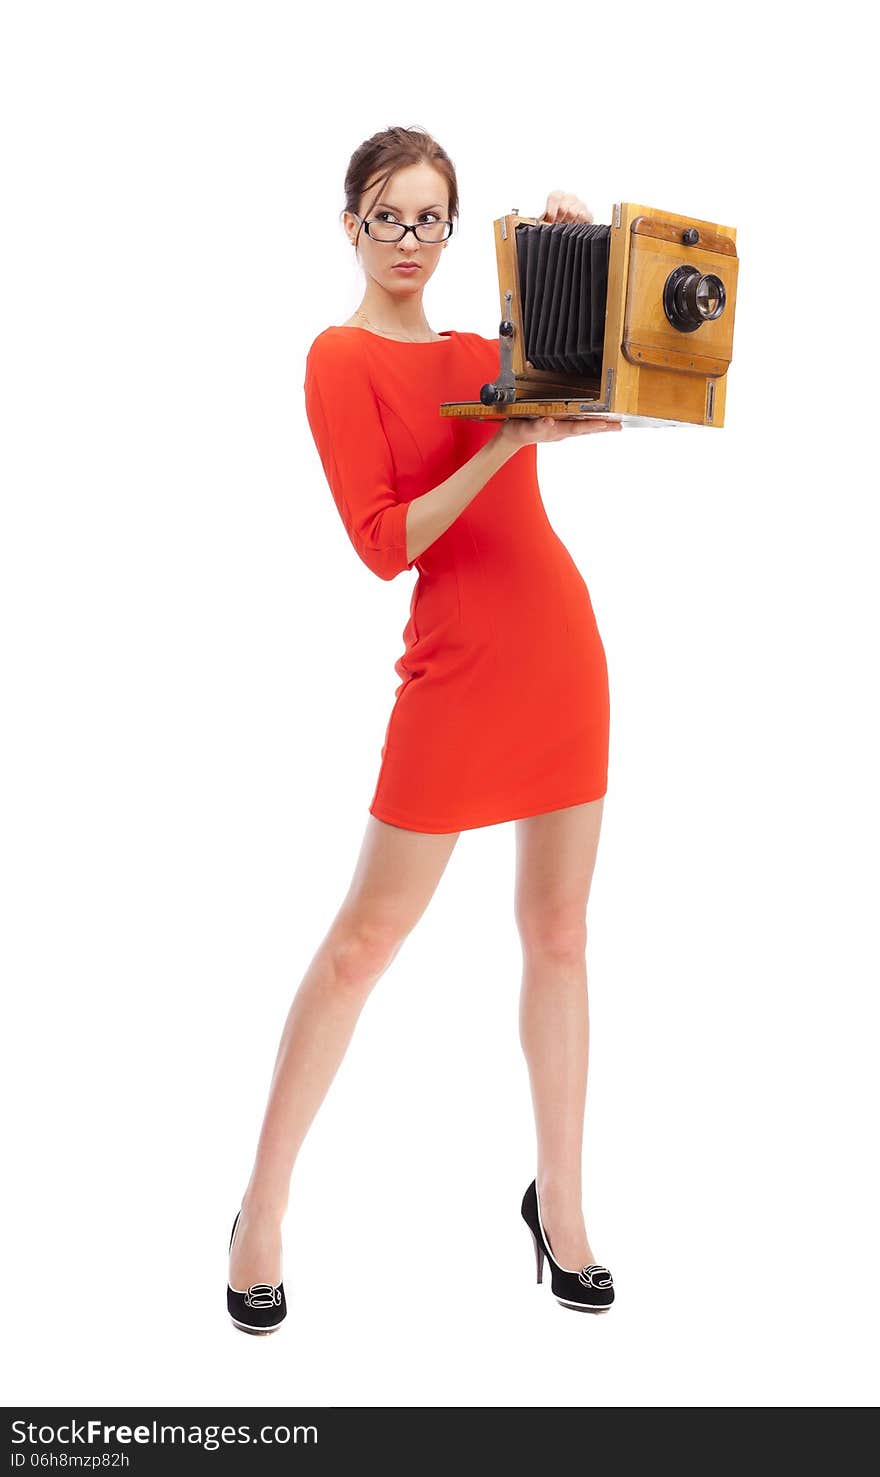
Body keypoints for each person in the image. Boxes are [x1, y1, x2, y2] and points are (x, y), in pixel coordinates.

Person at [226, 126, 621, 1333]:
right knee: (361, 945)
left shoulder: (478, 349)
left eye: (431, 218)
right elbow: (386, 541)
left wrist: (576, 256)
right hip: (453, 670)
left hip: (558, 652)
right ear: (350, 223)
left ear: (456, 229)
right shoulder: (339, 359)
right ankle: (260, 1208)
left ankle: (560, 1207)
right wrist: (505, 437)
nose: (410, 238)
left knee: (557, 933)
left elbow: (607, 387)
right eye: (388, 216)